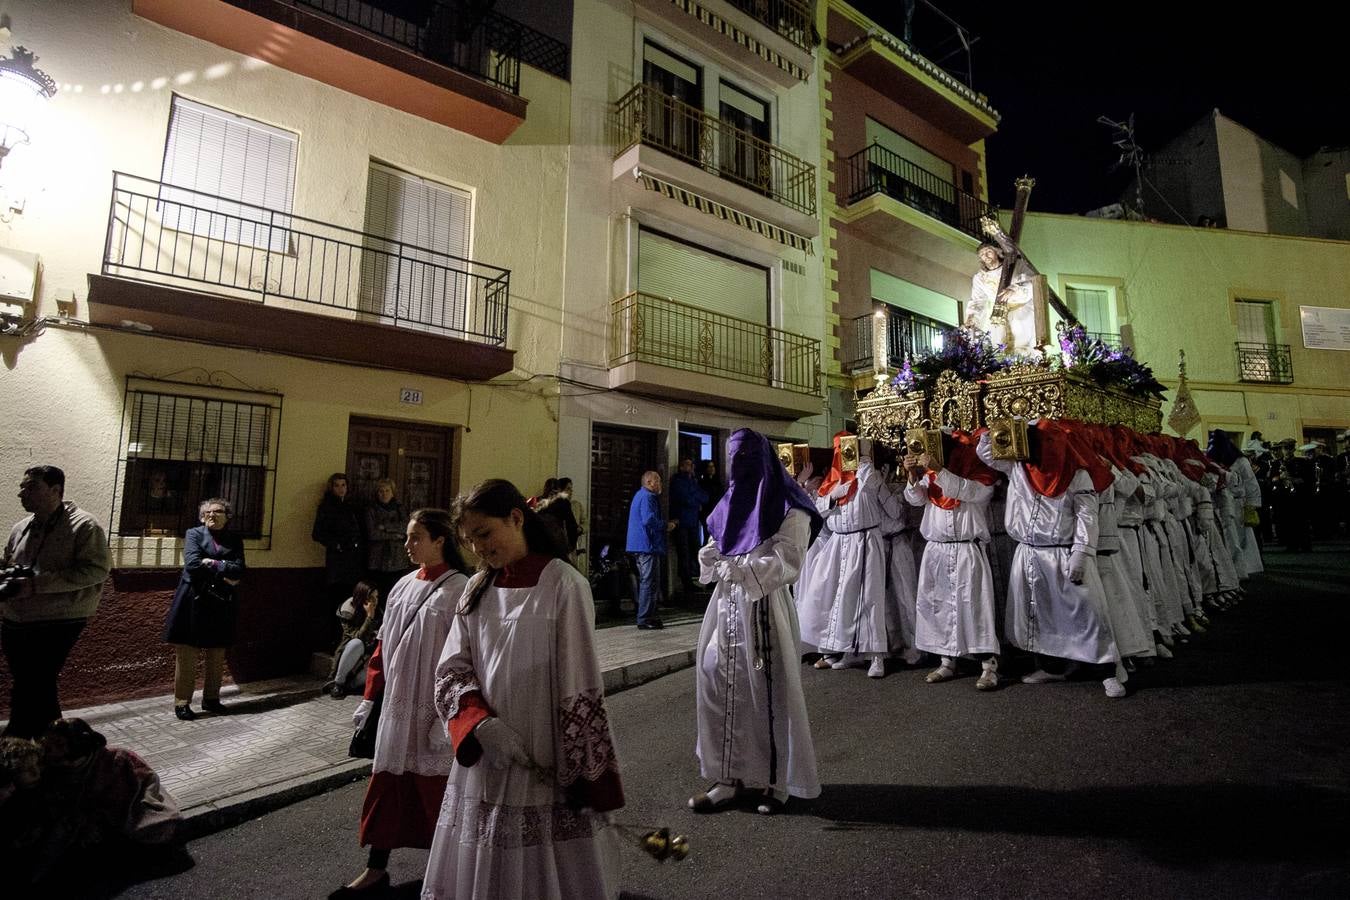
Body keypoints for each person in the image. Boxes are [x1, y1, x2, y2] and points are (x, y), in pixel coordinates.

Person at [425, 479, 624, 899]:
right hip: (485, 758)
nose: (477, 549)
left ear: (516, 518)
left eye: (484, 534)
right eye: (469, 540)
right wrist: (479, 725)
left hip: (543, 749)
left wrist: (581, 775)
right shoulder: (476, 591)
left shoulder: (563, 585)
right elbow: (450, 669)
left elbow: (581, 683)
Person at [332, 509, 469, 898]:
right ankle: (376, 869)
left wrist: (452, 711)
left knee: (438, 790)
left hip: (434, 708)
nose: (407, 544)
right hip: (397, 707)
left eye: (415, 537)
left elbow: (468, 657)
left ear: (440, 541)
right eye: (408, 537)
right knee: (389, 787)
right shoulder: (402, 586)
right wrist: (371, 698)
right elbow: (382, 649)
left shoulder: (460, 589)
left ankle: (453, 870)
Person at [690, 429, 822, 816]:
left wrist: (744, 569)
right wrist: (713, 559)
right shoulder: (730, 501)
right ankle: (727, 777)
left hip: (763, 605)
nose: (739, 467)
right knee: (716, 682)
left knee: (765, 692)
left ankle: (773, 782)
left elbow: (789, 560)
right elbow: (718, 543)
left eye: (745, 457)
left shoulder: (789, 507)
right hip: (726, 605)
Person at [977, 422, 1128, 699]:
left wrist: (1081, 552)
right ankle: (1050, 666)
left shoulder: (1077, 474)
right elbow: (986, 452)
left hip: (1064, 552)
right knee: (1038, 614)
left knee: (1088, 613)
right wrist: (1000, 429)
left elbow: (1086, 515)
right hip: (1030, 552)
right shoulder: (1019, 467)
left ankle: (1106, 671)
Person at [2, 466, 111, 738]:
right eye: (22, 487)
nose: (21, 493)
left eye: (31, 487)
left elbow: (97, 570)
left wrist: (37, 584)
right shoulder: (21, 527)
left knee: (37, 680)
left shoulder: (84, 525)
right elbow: (10, 564)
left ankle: (35, 738)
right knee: (27, 681)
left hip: (59, 618)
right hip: (16, 617)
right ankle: (40, 739)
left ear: (56, 491)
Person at [903, 432, 1002, 690]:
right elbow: (915, 499)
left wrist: (938, 469)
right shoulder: (933, 478)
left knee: (974, 607)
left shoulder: (981, 480)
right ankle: (947, 661)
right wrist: (913, 475)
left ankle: (988, 665)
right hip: (936, 550)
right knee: (938, 606)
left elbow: (965, 491)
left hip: (966, 551)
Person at [795, 433, 897, 678]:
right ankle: (848, 650)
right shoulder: (832, 480)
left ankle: (877, 656)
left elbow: (892, 509)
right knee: (841, 599)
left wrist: (870, 473)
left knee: (869, 598)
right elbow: (819, 510)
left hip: (865, 540)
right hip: (840, 543)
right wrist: (831, 495)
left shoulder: (869, 477)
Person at [161, 499, 245, 720]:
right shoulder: (194, 534)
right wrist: (225, 572)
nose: (212, 515)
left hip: (221, 602)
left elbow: (240, 569)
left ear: (227, 516)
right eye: (207, 512)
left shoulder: (234, 538)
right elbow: (192, 565)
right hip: (194, 600)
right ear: (201, 517)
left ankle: (211, 699)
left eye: (218, 511)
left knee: (216, 653)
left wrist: (214, 564)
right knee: (187, 653)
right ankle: (182, 702)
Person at [313, 474, 365, 629]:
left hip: (353, 559)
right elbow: (317, 533)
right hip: (337, 560)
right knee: (336, 597)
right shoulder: (326, 507)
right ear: (331, 487)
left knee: (351, 597)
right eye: (337, 485)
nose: (341, 489)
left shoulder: (352, 506)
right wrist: (336, 545)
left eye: (343, 485)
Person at [965, 241, 1034, 354]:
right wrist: (972, 316)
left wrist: (1015, 289)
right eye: (982, 254)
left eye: (989, 252)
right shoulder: (979, 278)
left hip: (1021, 311)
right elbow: (977, 300)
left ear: (998, 252)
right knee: (999, 348)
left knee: (1022, 346)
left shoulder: (1016, 265)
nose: (986, 256)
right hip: (998, 314)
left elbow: (1033, 280)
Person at [626, 470, 672, 630]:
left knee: (651, 581)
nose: (660, 484)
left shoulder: (641, 495)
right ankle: (644, 618)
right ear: (649, 483)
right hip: (647, 545)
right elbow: (648, 520)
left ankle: (650, 615)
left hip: (643, 545)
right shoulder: (648, 497)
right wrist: (665, 525)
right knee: (649, 582)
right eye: (657, 481)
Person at [324, 581, 381, 699]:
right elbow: (359, 636)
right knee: (356, 643)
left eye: (376, 597)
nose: (375, 601)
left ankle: (350, 686)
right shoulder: (349, 611)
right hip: (350, 655)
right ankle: (338, 684)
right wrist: (369, 617)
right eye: (372, 598)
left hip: (367, 657)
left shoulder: (379, 612)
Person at [363, 478, 410, 600]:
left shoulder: (400, 509)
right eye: (381, 491)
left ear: (392, 492)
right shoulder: (371, 509)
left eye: (387, 491)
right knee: (379, 593)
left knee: (396, 592)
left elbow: (406, 527)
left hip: (397, 558)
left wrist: (385, 527)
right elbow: (373, 534)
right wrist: (395, 535)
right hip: (378, 558)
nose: (384, 494)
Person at [668, 458, 708, 595]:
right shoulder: (678, 482)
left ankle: (696, 577)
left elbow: (704, 496)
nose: (691, 467)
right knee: (683, 553)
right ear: (681, 467)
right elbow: (685, 498)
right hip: (682, 523)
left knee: (695, 550)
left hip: (693, 522)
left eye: (692, 464)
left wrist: (695, 498)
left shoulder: (693, 481)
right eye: (688, 465)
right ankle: (686, 582)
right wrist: (695, 500)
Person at [536, 477, 582, 558]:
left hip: (540, 543)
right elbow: (571, 526)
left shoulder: (538, 501)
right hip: (557, 543)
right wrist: (571, 546)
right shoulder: (563, 502)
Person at [697, 459, 725, 541]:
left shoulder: (717, 482)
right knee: (707, 535)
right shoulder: (702, 483)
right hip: (707, 513)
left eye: (713, 466)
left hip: (717, 512)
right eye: (709, 467)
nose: (712, 469)